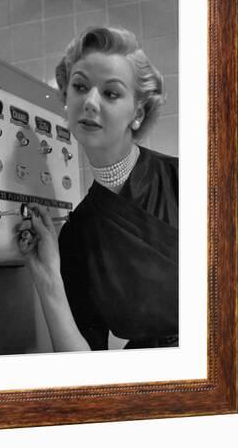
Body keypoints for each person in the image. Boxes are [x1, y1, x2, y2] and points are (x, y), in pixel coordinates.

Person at [17, 26, 178, 352]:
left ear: (138, 113)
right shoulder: (77, 236)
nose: (89, 101)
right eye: (79, 86)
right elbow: (85, 367)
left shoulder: (192, 181)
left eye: (111, 93)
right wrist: (47, 276)